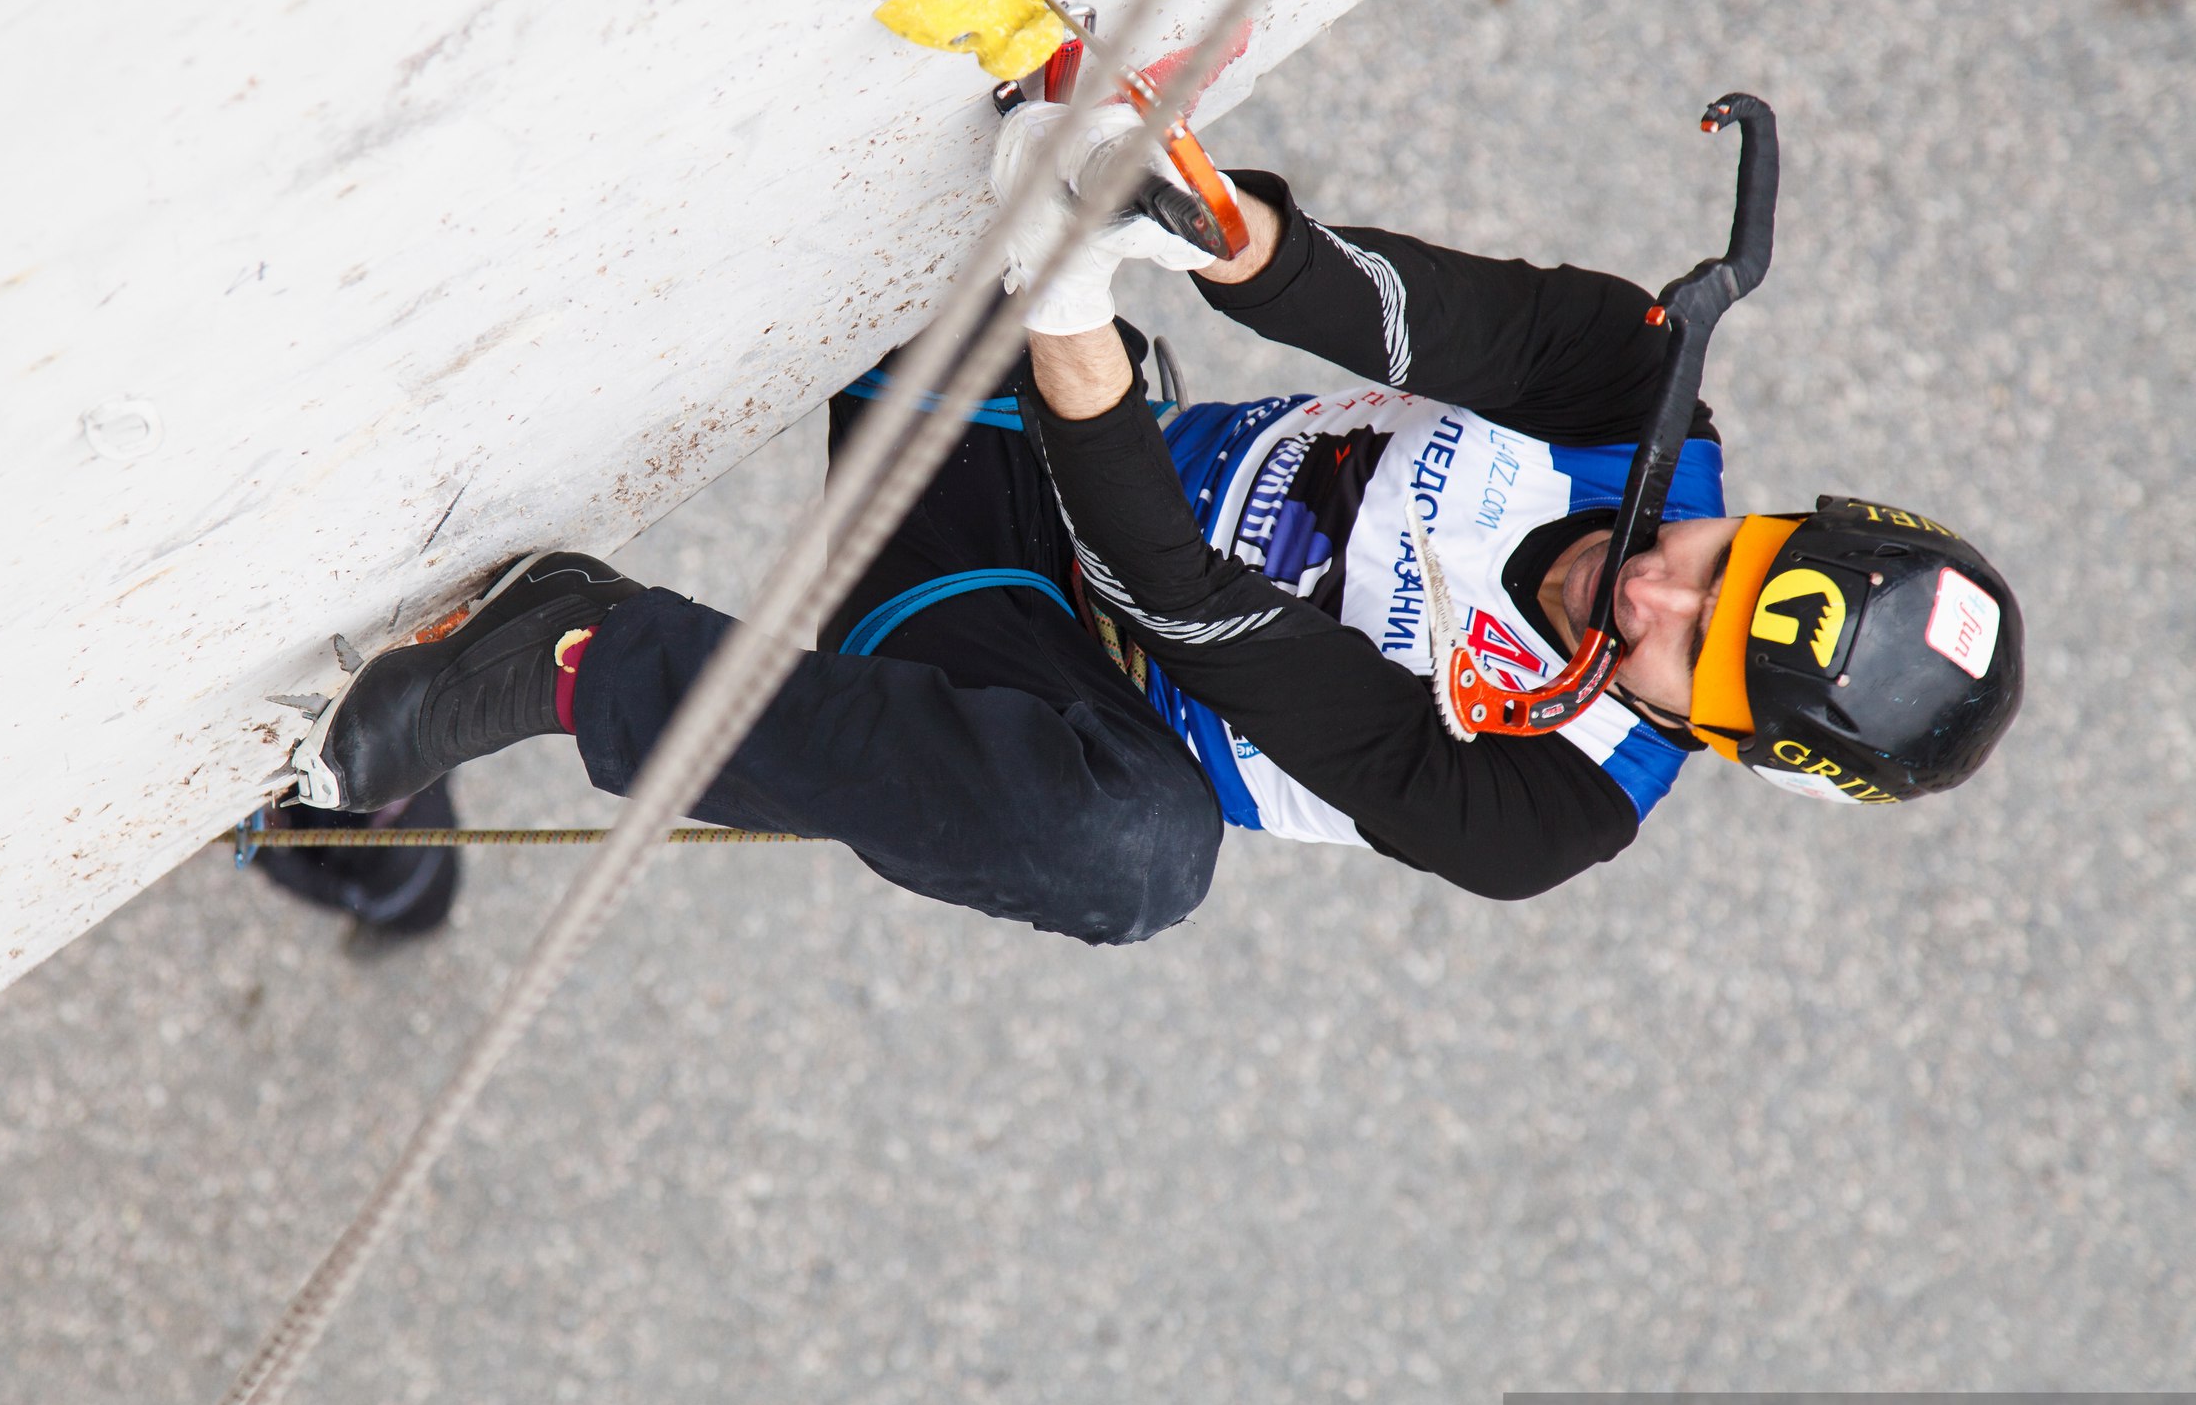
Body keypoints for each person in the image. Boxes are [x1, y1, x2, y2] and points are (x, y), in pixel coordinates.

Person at [281, 102, 2024, 944]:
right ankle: (419, 776)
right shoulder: (1635, 396)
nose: (1650, 577)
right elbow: (1400, 311)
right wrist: (1185, 216)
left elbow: (1187, 609)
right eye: (1728, 557)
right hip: (1036, 407)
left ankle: (570, 651)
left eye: (1683, 644)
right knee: (959, 147)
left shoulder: (1545, 809)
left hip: (1015, 649)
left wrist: (1074, 324)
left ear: (1719, 737)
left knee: (1135, 864)